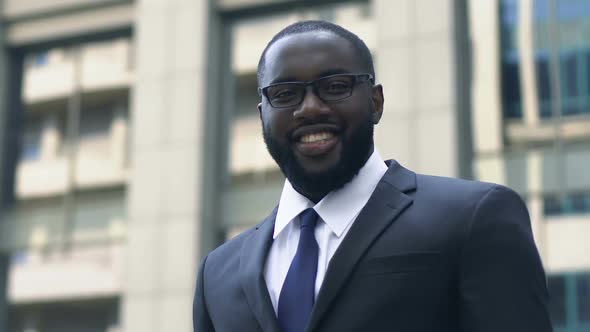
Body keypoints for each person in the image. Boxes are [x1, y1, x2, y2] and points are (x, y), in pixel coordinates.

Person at [193, 20, 552, 332]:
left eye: (335, 86)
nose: (311, 107)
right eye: (285, 94)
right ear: (262, 116)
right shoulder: (217, 273)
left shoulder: (473, 218)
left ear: (376, 102)